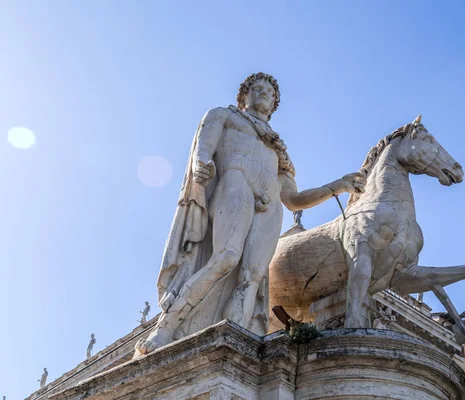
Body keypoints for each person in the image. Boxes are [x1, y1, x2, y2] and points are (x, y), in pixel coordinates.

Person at [135, 73, 364, 356]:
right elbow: (203, 148)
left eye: (270, 91)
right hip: (236, 183)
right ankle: (167, 327)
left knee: (252, 277)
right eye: (257, 88)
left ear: (275, 104)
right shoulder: (224, 116)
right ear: (244, 95)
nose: (264, 93)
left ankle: (236, 343)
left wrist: (337, 186)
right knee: (226, 258)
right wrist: (200, 165)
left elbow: (293, 200)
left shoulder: (278, 149)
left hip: (270, 207)